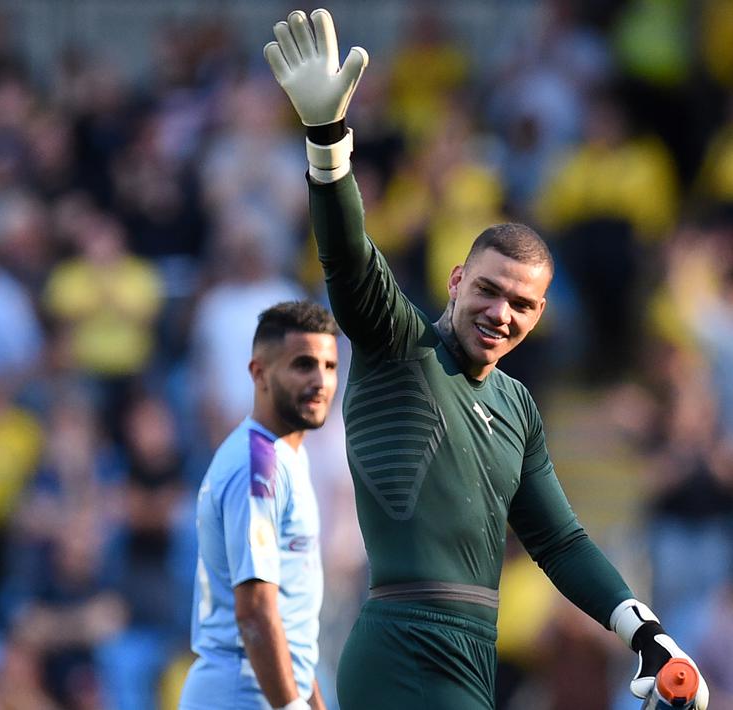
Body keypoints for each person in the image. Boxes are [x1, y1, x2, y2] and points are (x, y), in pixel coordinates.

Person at [262, 8, 708, 709]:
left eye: (523, 305)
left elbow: (558, 541)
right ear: (454, 282)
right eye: (488, 291)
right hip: (401, 646)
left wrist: (647, 634)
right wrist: (326, 142)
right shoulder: (398, 346)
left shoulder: (516, 404)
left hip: (472, 658)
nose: (502, 313)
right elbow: (348, 259)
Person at [180, 301, 340, 710]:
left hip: (266, 689)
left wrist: (311, 700)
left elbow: (288, 624)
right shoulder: (259, 466)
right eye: (303, 365)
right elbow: (254, 609)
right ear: (259, 373)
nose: (320, 380)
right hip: (243, 693)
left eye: (329, 366)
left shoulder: (285, 456)